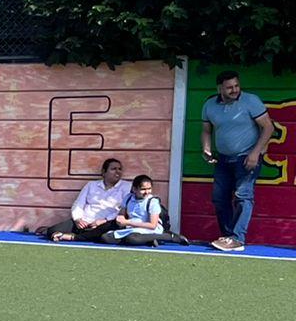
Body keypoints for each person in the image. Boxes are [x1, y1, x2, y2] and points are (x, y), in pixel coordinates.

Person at [200, 70, 274, 251]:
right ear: (219, 88)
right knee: (219, 198)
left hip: (247, 157)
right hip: (223, 159)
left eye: (236, 86)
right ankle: (227, 237)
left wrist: (255, 153)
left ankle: (237, 238)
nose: (234, 90)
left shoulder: (251, 101)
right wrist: (206, 148)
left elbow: (268, 127)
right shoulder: (209, 105)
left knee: (243, 196)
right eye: (229, 87)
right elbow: (206, 130)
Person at [44, 158, 134, 242]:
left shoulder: (127, 187)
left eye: (120, 169)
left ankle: (73, 237)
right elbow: (79, 204)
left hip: (106, 223)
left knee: (108, 231)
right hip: (85, 221)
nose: (118, 172)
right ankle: (78, 235)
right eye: (113, 169)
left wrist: (103, 221)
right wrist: (78, 219)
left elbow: (123, 210)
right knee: (52, 230)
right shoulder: (91, 185)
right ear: (104, 172)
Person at [105, 176, 182, 246]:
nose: (147, 192)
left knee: (132, 238)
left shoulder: (152, 202)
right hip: (132, 228)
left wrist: (128, 222)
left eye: (149, 189)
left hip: (147, 229)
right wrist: (120, 218)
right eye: (143, 189)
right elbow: (122, 213)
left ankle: (168, 237)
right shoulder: (128, 198)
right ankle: (148, 240)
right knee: (106, 237)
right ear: (134, 189)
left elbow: (152, 225)